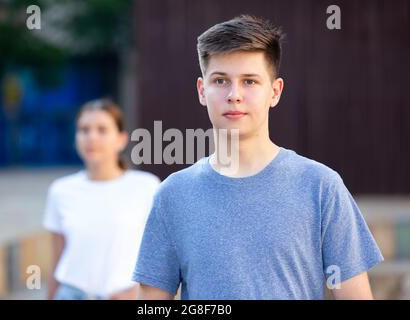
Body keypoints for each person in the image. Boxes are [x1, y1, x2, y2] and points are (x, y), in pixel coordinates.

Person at [132, 15, 383, 300]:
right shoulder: (172, 195)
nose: (234, 95)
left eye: (249, 81)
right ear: (202, 91)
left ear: (274, 92)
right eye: (220, 80)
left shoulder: (321, 186)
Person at [44, 98, 160, 300]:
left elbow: (162, 257)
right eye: (84, 130)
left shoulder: (147, 186)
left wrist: (140, 294)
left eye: (102, 130)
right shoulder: (61, 191)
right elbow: (57, 258)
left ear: (121, 139)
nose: (92, 137)